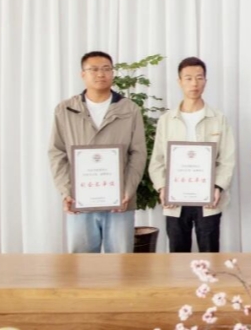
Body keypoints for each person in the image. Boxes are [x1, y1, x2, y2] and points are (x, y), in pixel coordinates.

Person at [48, 51, 147, 253]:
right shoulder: (65, 109)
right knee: (82, 264)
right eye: (93, 69)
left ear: (113, 73)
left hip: (120, 202)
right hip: (80, 201)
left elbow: (138, 153)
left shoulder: (129, 109)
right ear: (82, 74)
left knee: (121, 262)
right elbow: (57, 152)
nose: (100, 74)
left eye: (106, 69)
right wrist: (67, 191)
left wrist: (127, 190)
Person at [148, 57, 237, 252]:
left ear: (206, 81)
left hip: (208, 199)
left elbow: (227, 159)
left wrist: (217, 187)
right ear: (179, 81)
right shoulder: (167, 120)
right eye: (188, 78)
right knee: (178, 255)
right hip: (175, 200)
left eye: (199, 78)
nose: (194, 83)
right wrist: (162, 187)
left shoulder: (218, 119)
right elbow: (157, 160)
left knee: (210, 254)